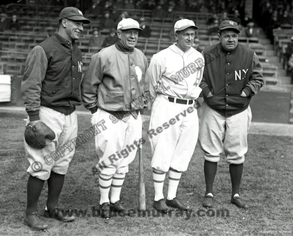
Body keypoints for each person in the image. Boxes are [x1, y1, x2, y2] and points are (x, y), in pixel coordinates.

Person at [21, 7, 90, 230]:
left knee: (61, 163)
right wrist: (33, 118)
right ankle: (30, 214)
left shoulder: (76, 51)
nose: (81, 27)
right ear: (63, 22)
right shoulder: (43, 49)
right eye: (76, 23)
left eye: (82, 24)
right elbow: (31, 84)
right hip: (47, 112)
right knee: (41, 163)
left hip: (70, 113)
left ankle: (52, 207)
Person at [81, 18, 148, 219]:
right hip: (109, 115)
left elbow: (142, 86)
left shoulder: (141, 56)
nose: (133, 35)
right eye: (128, 32)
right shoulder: (103, 55)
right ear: (119, 33)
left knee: (125, 161)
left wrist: (140, 111)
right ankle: (103, 201)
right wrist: (94, 111)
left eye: (136, 32)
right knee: (109, 159)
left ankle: (115, 200)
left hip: (133, 116)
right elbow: (88, 86)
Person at [199, 20, 264, 209]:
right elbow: (198, 77)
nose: (230, 39)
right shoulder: (207, 53)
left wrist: (246, 92)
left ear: (238, 36)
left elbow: (258, 77)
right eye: (226, 35)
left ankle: (235, 193)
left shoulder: (249, 54)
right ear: (219, 36)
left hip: (239, 109)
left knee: (237, 152)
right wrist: (207, 93)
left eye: (234, 35)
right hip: (213, 107)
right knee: (211, 151)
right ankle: (209, 192)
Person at [146, 19, 204, 213]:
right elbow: (151, 84)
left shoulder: (199, 58)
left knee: (183, 151)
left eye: (192, 34)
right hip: (167, 105)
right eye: (185, 33)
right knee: (162, 149)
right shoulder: (161, 57)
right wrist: (159, 104)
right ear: (176, 35)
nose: (189, 37)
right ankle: (158, 197)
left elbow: (197, 83)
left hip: (189, 108)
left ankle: (171, 196)